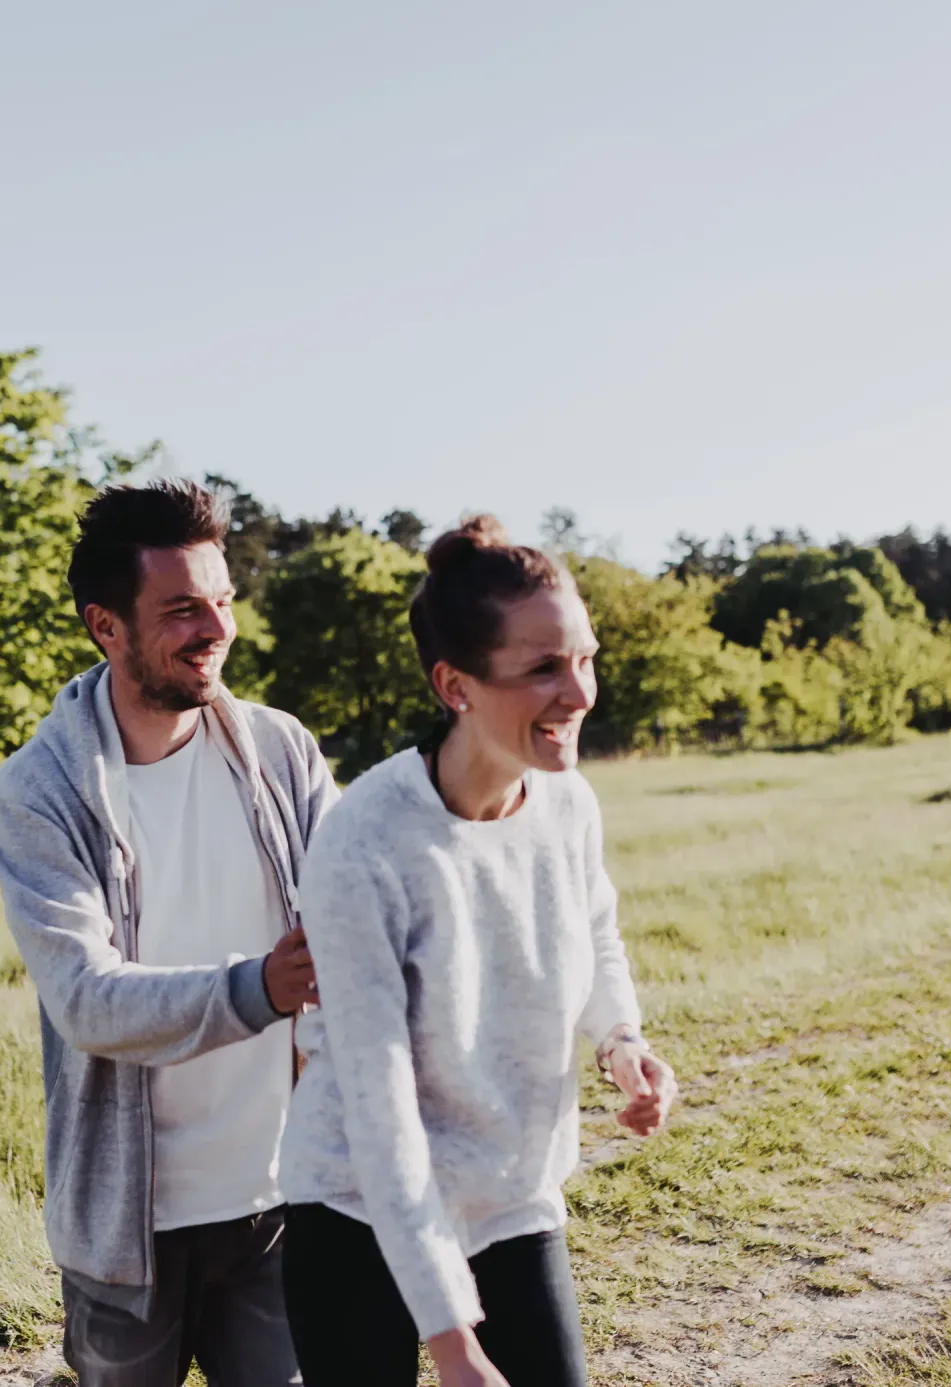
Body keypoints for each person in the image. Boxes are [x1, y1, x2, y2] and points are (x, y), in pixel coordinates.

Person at [278, 515, 677, 1387]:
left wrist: (622, 1042)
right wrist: (453, 1341)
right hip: (357, 1207)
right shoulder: (365, 844)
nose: (579, 693)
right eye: (543, 668)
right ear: (454, 684)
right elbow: (382, 1113)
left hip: (508, 1195)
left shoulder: (569, 805)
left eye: (586, 657)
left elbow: (593, 928)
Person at [0, 479, 336, 1387]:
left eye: (221, 600)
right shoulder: (39, 791)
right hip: (127, 1232)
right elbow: (87, 1001)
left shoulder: (284, 749)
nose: (215, 628)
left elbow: (354, 927)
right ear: (107, 626)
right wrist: (261, 985)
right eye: (182, 609)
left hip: (275, 1201)